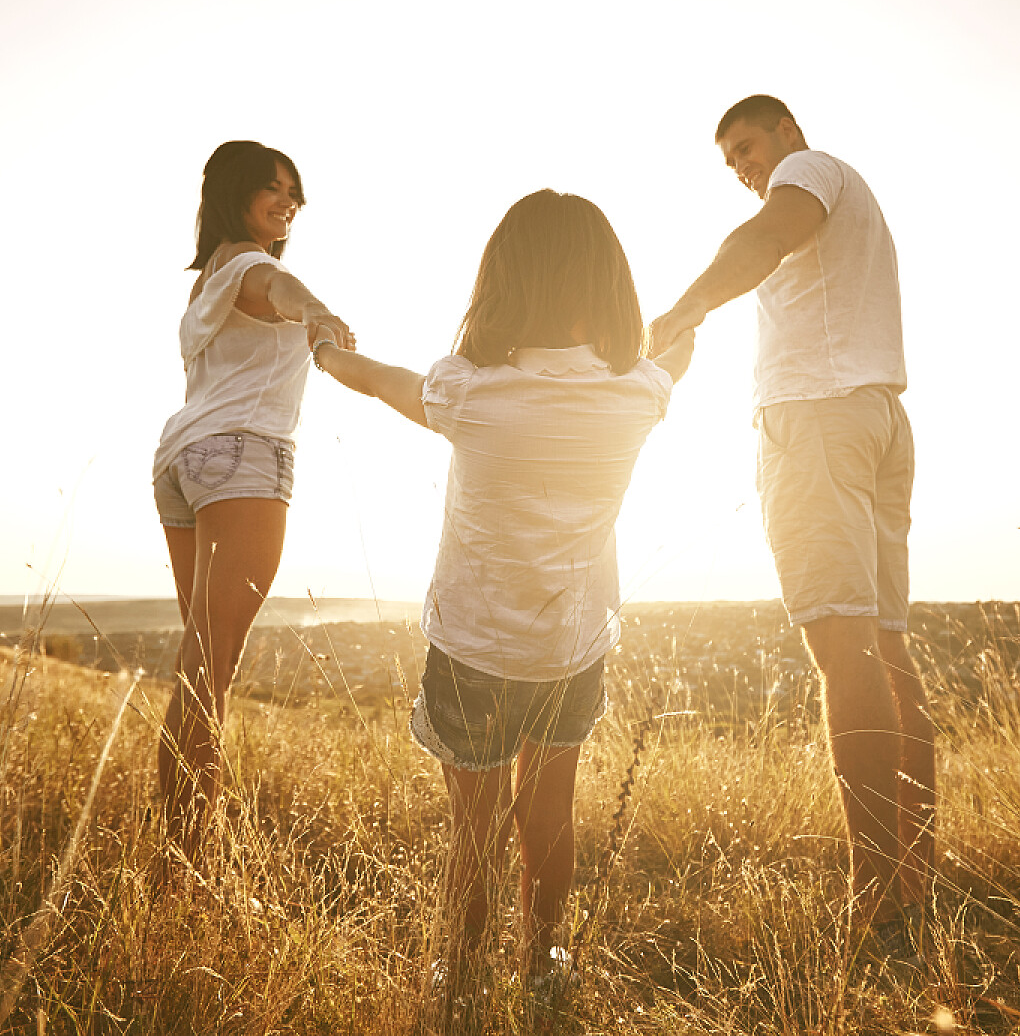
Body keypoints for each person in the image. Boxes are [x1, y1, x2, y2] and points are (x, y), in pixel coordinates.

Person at [314, 189, 694, 1026]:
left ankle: (457, 977)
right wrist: (668, 330)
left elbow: (380, 382)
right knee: (550, 813)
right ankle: (544, 958)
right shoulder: (639, 394)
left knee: (475, 831)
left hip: (474, 647)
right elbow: (680, 351)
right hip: (573, 646)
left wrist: (329, 355)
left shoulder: (468, 391)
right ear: (609, 287)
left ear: (502, 284)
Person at [648, 95, 934, 945]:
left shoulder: (808, 173)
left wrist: (683, 308)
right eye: (730, 160)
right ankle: (912, 876)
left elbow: (762, 239)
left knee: (842, 650)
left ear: (788, 133)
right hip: (876, 417)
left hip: (818, 421)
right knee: (885, 646)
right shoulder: (851, 199)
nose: (743, 166)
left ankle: (876, 902)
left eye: (748, 146)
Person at [151, 140, 354, 872]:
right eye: (272, 187)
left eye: (293, 191)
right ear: (234, 192)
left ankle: (184, 841)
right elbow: (285, 295)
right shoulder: (254, 268)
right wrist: (322, 314)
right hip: (240, 459)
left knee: (201, 663)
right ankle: (184, 857)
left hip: (182, 462)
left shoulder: (209, 276)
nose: (287, 201)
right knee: (210, 669)